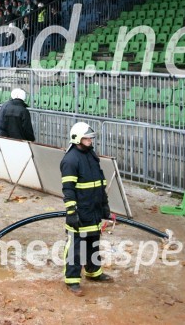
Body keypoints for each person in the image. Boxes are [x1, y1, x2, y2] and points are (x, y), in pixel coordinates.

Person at [61, 122, 114, 296]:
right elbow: (68, 189)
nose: (90, 140)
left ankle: (93, 272)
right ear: (77, 138)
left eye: (91, 137)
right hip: (81, 211)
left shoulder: (91, 155)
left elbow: (100, 183)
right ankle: (72, 280)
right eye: (87, 137)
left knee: (93, 243)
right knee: (76, 247)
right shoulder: (70, 160)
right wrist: (71, 212)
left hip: (94, 209)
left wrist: (105, 207)